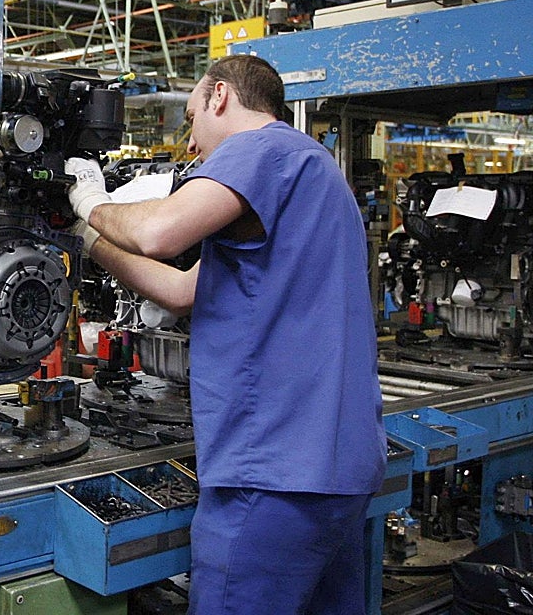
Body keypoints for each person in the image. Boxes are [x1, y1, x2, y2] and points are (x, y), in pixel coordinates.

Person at [66, 54, 386, 615]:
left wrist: (90, 200)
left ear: (219, 97)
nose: (190, 144)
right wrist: (88, 241)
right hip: (337, 470)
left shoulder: (263, 149)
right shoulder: (313, 171)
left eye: (190, 118)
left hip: (274, 473)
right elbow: (183, 291)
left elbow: (160, 231)